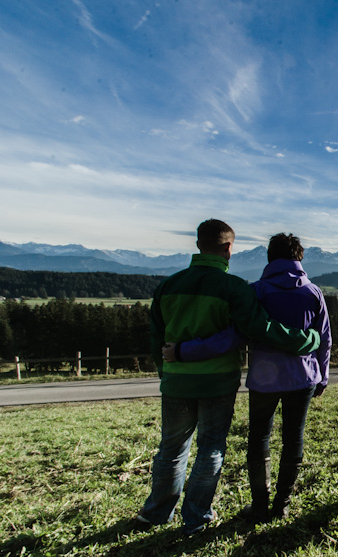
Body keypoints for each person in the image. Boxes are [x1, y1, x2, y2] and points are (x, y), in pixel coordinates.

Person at [137, 220, 321, 536]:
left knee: (170, 448)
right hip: (219, 381)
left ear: (198, 244)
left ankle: (155, 513)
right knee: (211, 447)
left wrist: (167, 367)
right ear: (228, 248)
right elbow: (257, 329)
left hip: (177, 381)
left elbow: (157, 340)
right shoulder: (234, 288)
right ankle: (196, 517)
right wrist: (308, 341)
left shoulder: (167, 286)